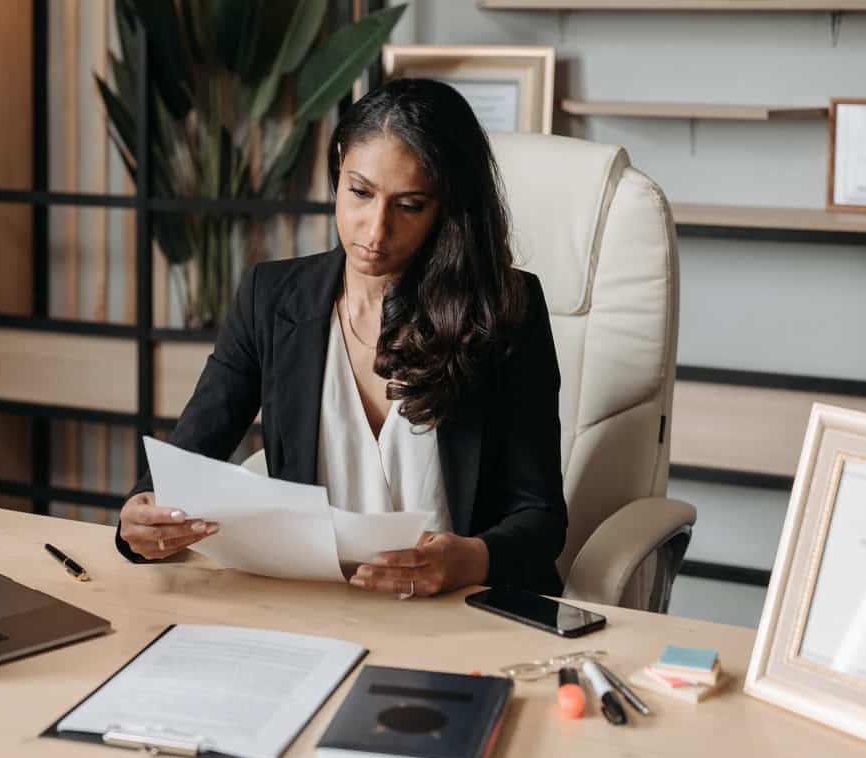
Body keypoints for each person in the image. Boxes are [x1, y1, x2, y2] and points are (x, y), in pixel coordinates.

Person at [116, 78, 567, 597]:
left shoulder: (506, 309)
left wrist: (467, 560)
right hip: (317, 603)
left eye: (410, 205)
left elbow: (541, 518)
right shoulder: (272, 298)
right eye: (359, 192)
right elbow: (189, 457)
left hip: (460, 606)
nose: (374, 231)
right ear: (337, 168)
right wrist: (141, 517)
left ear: (448, 206)